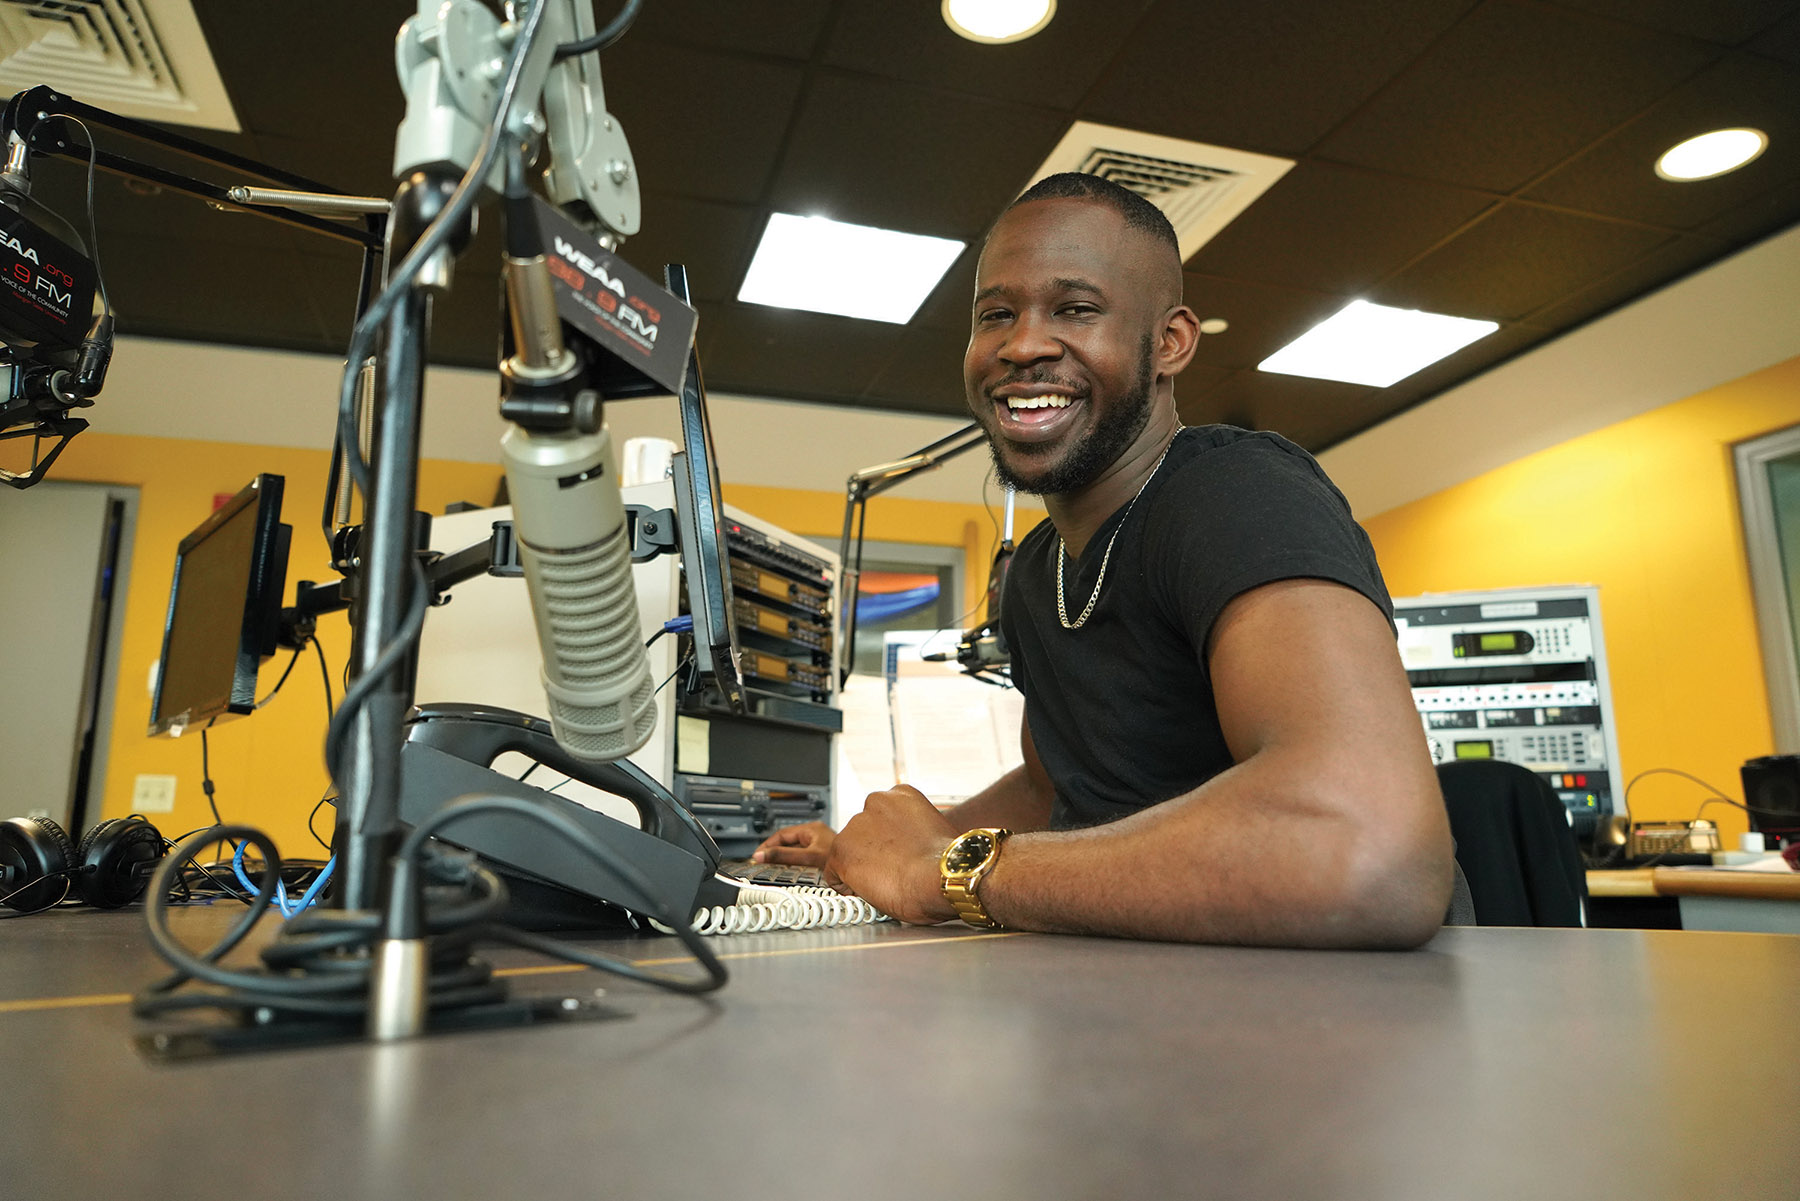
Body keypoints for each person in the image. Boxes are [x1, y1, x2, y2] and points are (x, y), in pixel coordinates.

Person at [754, 172, 1457, 948]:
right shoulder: (1036, 573)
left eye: (1076, 309)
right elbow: (1057, 785)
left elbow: (1371, 844)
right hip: (1145, 998)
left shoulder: (1235, 494)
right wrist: (887, 846)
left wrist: (945, 868)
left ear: (1170, 342)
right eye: (996, 314)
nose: (1022, 345)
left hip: (1331, 1019)